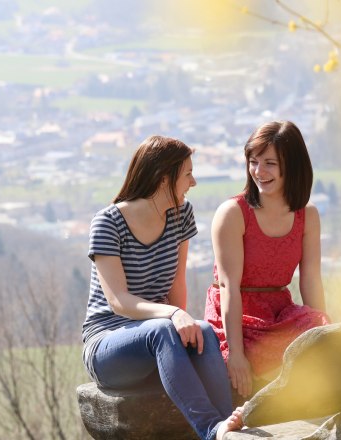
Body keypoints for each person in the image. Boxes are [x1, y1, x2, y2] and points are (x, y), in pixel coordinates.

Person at [82, 135, 243, 440]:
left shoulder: (181, 215)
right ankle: (211, 429)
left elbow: (176, 284)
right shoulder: (107, 222)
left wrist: (181, 320)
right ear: (163, 178)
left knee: (203, 332)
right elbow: (118, 301)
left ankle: (227, 428)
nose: (193, 182)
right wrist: (172, 315)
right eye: (187, 174)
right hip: (107, 343)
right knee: (164, 330)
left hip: (157, 335)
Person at [204, 121, 330, 400]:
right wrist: (235, 354)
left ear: (292, 165)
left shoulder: (307, 215)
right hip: (237, 316)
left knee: (323, 337)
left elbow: (310, 279)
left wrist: (323, 333)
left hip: (278, 312)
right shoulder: (233, 213)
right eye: (253, 161)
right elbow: (228, 287)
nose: (259, 172)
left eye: (270, 163)